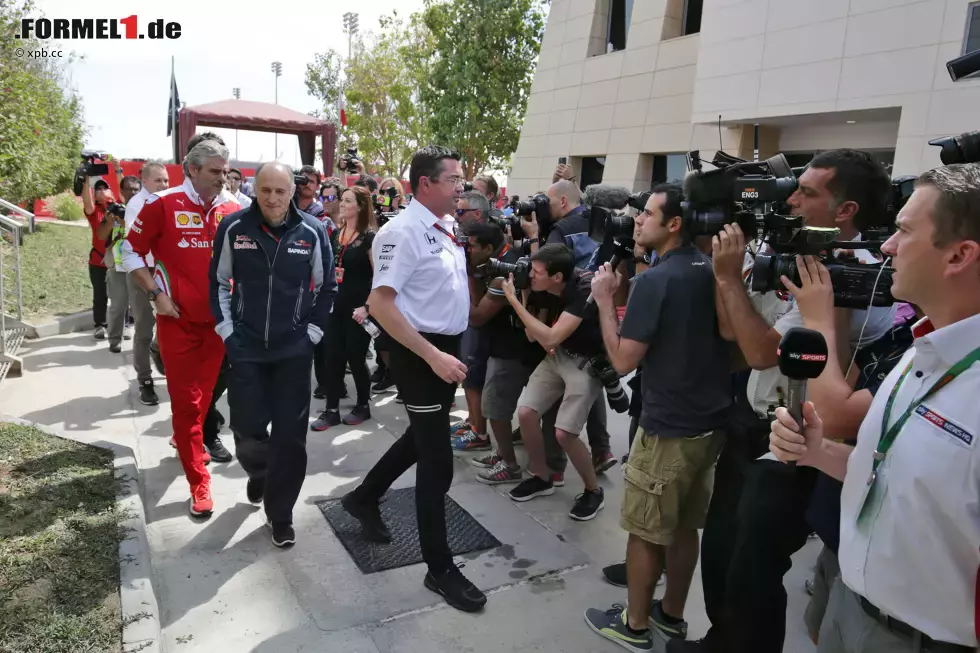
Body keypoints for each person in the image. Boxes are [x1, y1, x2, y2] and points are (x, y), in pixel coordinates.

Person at [681, 149, 896, 653]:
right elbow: (729, 328)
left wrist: (729, 276)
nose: (791, 198)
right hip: (753, 421)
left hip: (793, 446)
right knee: (721, 551)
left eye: (808, 192)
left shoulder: (844, 276)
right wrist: (728, 275)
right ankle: (719, 641)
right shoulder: (795, 257)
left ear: (845, 211)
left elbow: (757, 351)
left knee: (751, 573)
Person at [769, 163, 980, 653]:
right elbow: (885, 469)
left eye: (904, 232)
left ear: (959, 255)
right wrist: (818, 451)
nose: (885, 247)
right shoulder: (918, 351)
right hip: (849, 599)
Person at [340, 145, 487, 614]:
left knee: (420, 439)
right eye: (454, 179)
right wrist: (433, 358)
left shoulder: (445, 226)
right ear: (426, 183)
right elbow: (382, 304)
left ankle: (363, 498)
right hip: (420, 353)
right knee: (437, 462)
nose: (461, 186)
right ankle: (439, 568)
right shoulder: (400, 232)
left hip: (445, 349)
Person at [584, 185, 731, 648]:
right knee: (684, 526)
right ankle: (671, 614)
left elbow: (624, 360)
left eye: (646, 214)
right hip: (706, 424)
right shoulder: (705, 269)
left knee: (645, 531)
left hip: (667, 426)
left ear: (673, 224)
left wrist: (606, 300)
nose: (637, 221)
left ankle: (636, 624)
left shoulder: (655, 280)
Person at [211, 162, 335, 546]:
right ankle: (259, 473)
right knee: (245, 431)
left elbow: (326, 288)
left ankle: (280, 514)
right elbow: (219, 283)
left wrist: (311, 335)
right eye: (265, 190)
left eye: (280, 191)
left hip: (293, 353)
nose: (272, 198)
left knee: (290, 440)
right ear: (255, 189)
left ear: (292, 192)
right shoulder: (234, 228)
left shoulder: (313, 232)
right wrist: (229, 334)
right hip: (246, 349)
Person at [121, 139, 241, 518]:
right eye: (215, 172)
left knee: (203, 400)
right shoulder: (162, 204)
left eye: (225, 171)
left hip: (218, 326)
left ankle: (185, 439)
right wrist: (155, 293)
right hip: (177, 323)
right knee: (187, 405)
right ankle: (199, 481)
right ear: (192, 169)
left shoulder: (233, 209)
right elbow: (130, 250)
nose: (223, 179)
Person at [502, 243, 606, 520]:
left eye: (536, 272)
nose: (530, 275)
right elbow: (532, 336)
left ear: (557, 277)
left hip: (587, 364)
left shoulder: (583, 289)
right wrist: (524, 292)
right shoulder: (539, 289)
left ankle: (593, 491)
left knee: (565, 433)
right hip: (558, 356)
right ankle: (542, 476)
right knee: (525, 413)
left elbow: (549, 337)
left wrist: (512, 299)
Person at [463, 221, 535, 484]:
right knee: (493, 405)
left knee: (494, 408)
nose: (467, 252)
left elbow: (478, 316)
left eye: (471, 247)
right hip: (503, 346)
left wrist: (468, 275)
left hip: (510, 351)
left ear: (490, 248)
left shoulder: (505, 272)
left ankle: (510, 466)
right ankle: (501, 453)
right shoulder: (499, 260)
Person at [310, 185, 377, 430]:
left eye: (348, 200)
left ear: (360, 206)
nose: (343, 204)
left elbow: (380, 277)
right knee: (332, 357)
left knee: (356, 359)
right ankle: (331, 409)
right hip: (335, 307)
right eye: (343, 199)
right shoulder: (336, 234)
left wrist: (368, 307)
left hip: (358, 309)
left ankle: (363, 405)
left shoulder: (370, 237)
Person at [448, 191, 494, 451]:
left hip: (482, 317)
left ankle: (479, 433)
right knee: (468, 372)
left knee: (474, 374)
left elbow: (478, 277)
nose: (456, 215)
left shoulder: (490, 238)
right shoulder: (464, 236)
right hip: (465, 312)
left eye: (461, 211)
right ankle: (473, 421)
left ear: (477, 214)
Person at [122, 161, 169, 406]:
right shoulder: (136, 204)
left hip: (164, 271)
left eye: (166, 180)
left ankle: (157, 349)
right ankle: (145, 381)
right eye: (158, 180)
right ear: (145, 181)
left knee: (167, 323)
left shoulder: (168, 202)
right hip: (142, 272)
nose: (164, 184)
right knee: (143, 327)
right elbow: (136, 245)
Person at [83, 173, 117, 340]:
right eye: (98, 189)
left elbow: (127, 191)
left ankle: (122, 325)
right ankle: (99, 325)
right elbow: (86, 201)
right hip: (98, 261)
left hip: (118, 262)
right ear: (94, 194)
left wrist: (118, 171)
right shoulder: (94, 211)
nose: (102, 191)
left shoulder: (118, 208)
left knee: (120, 295)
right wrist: (87, 178)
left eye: (105, 188)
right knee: (100, 295)